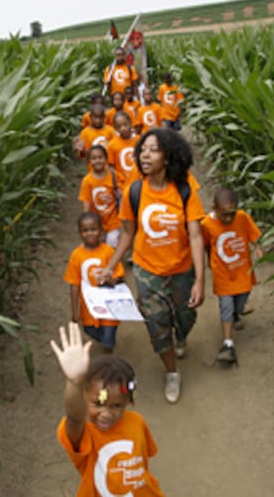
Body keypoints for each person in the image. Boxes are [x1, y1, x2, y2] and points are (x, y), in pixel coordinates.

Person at [96, 128, 205, 404]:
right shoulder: (135, 190)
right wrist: (110, 266)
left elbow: (195, 235)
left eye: (153, 149)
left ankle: (182, 336)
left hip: (181, 270)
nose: (145, 154)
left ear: (167, 157)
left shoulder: (184, 190)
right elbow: (128, 233)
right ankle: (172, 372)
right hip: (147, 272)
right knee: (157, 325)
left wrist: (200, 280)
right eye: (143, 149)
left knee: (186, 317)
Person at [51, 323, 164, 495]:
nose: (106, 414)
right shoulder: (84, 433)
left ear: (129, 401)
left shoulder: (137, 422)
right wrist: (74, 382)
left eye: (116, 406)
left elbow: (142, 464)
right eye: (98, 403)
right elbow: (74, 418)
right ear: (83, 398)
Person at [201, 188, 264, 365]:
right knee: (226, 306)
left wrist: (257, 247)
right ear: (214, 208)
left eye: (231, 214)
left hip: (242, 270)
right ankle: (228, 344)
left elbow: (252, 234)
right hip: (223, 273)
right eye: (224, 215)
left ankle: (237, 314)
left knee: (242, 299)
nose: (228, 219)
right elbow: (206, 245)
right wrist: (208, 261)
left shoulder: (242, 217)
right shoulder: (206, 224)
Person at [63, 212, 125, 353]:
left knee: (108, 339)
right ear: (79, 233)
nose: (90, 233)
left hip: (109, 306)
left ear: (101, 230)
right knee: (90, 330)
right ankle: (104, 341)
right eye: (85, 230)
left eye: (94, 229)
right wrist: (75, 311)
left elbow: (120, 276)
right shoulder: (76, 256)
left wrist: (112, 280)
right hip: (89, 308)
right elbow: (74, 285)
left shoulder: (108, 252)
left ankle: (107, 357)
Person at [78, 145, 122, 248]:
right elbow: (86, 202)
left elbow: (122, 190)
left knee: (112, 241)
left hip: (113, 219)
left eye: (100, 157)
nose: (98, 161)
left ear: (106, 159)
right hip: (96, 220)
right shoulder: (87, 181)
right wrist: (87, 221)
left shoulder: (113, 175)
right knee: (98, 245)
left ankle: (112, 261)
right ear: (89, 162)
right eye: (94, 158)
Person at [106, 111, 140, 191]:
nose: (123, 128)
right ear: (115, 128)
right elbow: (111, 167)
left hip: (139, 183)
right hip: (122, 185)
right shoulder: (112, 145)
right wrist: (116, 186)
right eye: (119, 126)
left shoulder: (139, 140)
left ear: (130, 123)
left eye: (125, 124)